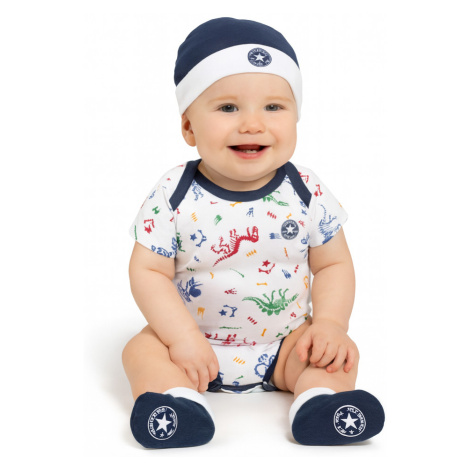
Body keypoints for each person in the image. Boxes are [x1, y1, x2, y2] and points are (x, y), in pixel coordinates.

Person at [122, 17, 385, 449]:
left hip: (285, 345)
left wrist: (331, 324)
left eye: (273, 107)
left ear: (297, 116)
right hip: (190, 349)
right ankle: (175, 403)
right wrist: (183, 338)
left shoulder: (306, 190)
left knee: (336, 355)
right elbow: (148, 272)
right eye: (228, 108)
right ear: (189, 127)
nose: (252, 124)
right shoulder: (173, 193)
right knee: (140, 351)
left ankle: (321, 403)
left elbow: (333, 264)